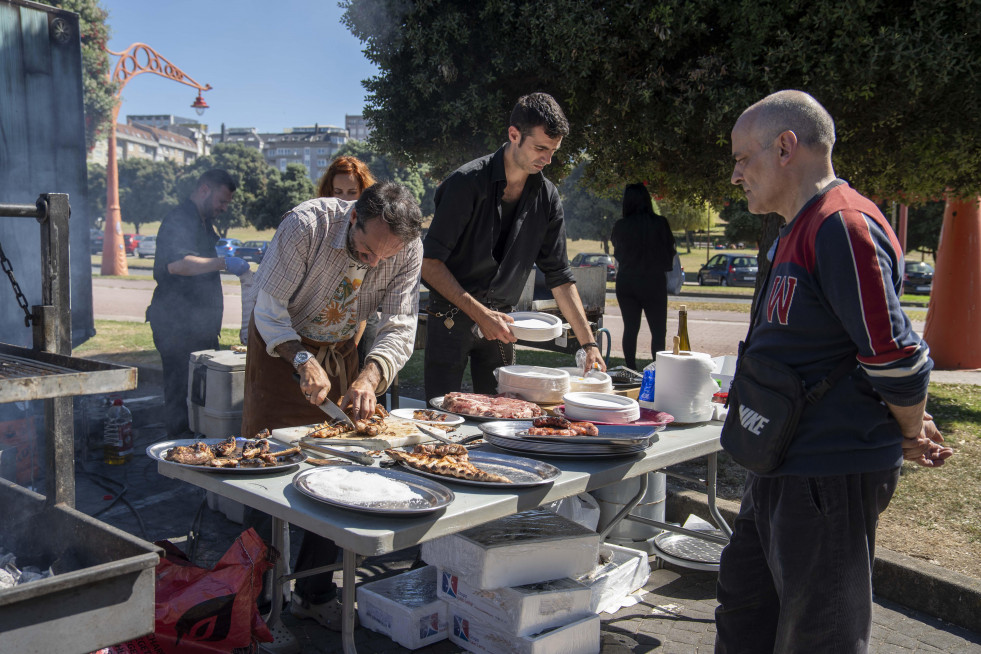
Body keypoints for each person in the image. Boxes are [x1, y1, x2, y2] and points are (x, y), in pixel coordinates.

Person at [715, 90, 953, 653]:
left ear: (785, 147)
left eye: (741, 158)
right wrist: (908, 420)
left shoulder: (840, 224)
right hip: (779, 465)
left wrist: (911, 426)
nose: (734, 175)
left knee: (821, 637)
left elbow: (895, 356)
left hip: (826, 474)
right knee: (746, 612)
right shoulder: (793, 229)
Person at [240, 181, 423, 630]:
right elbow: (269, 309)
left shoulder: (407, 247)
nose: (375, 262)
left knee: (341, 473)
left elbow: (400, 323)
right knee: (264, 472)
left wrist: (371, 373)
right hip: (280, 347)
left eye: (385, 255)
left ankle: (315, 591)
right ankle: (256, 603)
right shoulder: (305, 226)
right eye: (365, 249)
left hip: (342, 348)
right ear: (353, 217)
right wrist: (300, 359)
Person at [422, 92, 605, 398]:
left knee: (502, 415)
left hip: (505, 323)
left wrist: (589, 344)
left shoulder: (547, 197)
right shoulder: (465, 183)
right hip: (450, 320)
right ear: (514, 135)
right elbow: (429, 264)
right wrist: (481, 314)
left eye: (553, 151)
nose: (547, 159)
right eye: (540, 148)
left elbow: (559, 275)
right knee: (439, 414)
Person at [147, 169, 248, 438]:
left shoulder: (203, 221)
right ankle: (177, 448)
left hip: (200, 325)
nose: (224, 208)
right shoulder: (179, 219)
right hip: (176, 325)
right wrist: (224, 263)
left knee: (200, 389)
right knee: (181, 390)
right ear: (204, 189)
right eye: (222, 201)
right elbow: (177, 264)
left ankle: (198, 441)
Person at [238, 156, 377, 345]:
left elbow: (362, 302)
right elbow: (271, 304)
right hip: (300, 335)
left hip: (350, 336)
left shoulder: (373, 235)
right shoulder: (311, 228)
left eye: (352, 192)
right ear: (327, 193)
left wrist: (350, 349)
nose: (345, 200)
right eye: (338, 192)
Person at [611, 183, 676, 369]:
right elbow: (669, 251)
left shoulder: (621, 225)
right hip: (653, 280)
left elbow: (618, 253)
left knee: (630, 328)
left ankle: (630, 367)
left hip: (627, 281)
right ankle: (657, 368)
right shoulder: (660, 223)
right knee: (658, 331)